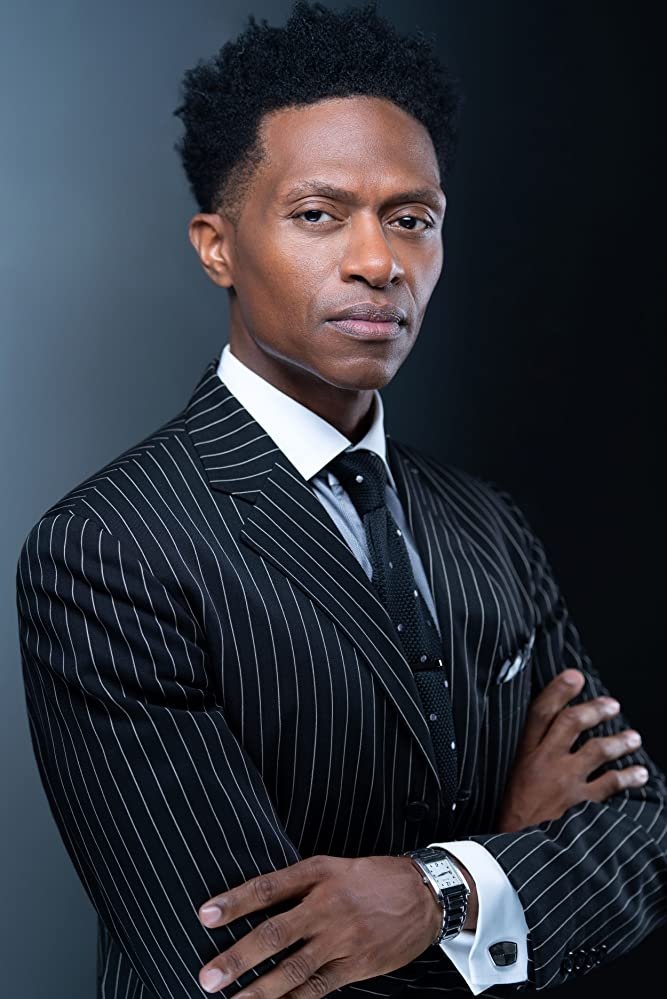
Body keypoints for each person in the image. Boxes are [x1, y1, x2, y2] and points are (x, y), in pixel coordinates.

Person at [15, 2, 667, 998]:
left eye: (411, 218)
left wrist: (438, 890)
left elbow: (643, 844)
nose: (378, 261)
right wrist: (495, 872)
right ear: (217, 246)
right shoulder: (108, 547)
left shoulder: (486, 524)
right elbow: (246, 971)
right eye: (319, 214)